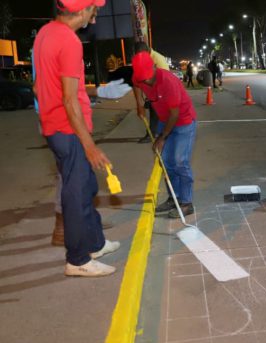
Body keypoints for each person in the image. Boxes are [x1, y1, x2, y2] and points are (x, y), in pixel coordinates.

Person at [33, 0, 132, 277]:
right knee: (76, 196)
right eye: (93, 10)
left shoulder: (46, 33)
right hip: (69, 131)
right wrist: (89, 145)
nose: (95, 16)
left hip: (56, 127)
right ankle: (77, 260)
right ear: (81, 10)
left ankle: (95, 244)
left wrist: (96, 92)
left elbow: (42, 86)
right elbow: (68, 98)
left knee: (87, 188)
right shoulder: (70, 41)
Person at [132, 51, 198, 218]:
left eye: (148, 77)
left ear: (154, 67)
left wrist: (162, 138)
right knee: (166, 162)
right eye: (142, 79)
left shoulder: (168, 81)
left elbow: (174, 115)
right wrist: (139, 104)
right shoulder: (139, 77)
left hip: (183, 122)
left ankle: (186, 203)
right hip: (164, 120)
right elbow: (136, 85)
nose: (146, 81)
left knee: (180, 162)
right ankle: (173, 198)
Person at [134, 41, 169, 144]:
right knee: (154, 110)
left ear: (148, 51)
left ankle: (155, 134)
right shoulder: (141, 59)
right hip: (153, 90)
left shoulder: (158, 60)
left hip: (164, 89)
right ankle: (154, 133)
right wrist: (139, 105)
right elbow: (136, 82)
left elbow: (165, 80)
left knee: (158, 110)